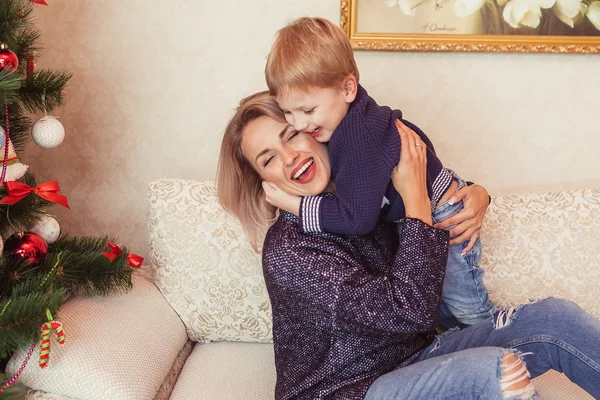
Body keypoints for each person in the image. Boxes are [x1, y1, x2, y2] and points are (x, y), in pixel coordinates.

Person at [216, 91, 600, 400]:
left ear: (315, 127)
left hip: (417, 358)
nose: (290, 158)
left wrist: (476, 196)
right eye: (269, 159)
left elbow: (436, 191)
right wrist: (415, 195)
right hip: (346, 391)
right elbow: (410, 312)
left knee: (556, 319)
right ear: (263, 182)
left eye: (292, 135)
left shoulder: (365, 194)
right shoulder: (289, 252)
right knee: (495, 371)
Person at [263, 17, 494, 327]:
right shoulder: (346, 121)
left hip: (443, 215)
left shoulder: (358, 135)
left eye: (308, 110)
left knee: (469, 312)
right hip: (431, 206)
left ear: (347, 88)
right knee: (444, 312)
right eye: (289, 112)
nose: (299, 124)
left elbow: (356, 218)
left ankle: (501, 339)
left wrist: (295, 205)